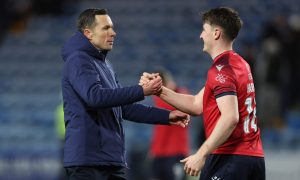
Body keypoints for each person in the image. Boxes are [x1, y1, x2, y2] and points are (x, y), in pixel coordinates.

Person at [61, 8, 190, 180]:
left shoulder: (105, 64)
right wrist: (142, 91)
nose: (113, 33)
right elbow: (94, 97)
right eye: (106, 28)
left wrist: (167, 116)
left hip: (111, 161)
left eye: (112, 27)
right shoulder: (78, 59)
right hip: (88, 162)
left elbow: (124, 108)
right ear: (88, 33)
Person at [140, 7, 265, 180]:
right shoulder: (239, 64)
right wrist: (158, 90)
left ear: (216, 33)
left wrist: (201, 154)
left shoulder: (221, 70)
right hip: (253, 157)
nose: (200, 35)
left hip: (229, 156)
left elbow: (230, 117)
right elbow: (196, 105)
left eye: (204, 30)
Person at [149, 68, 190, 180]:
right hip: (159, 153)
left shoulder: (182, 95)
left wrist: (171, 90)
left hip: (176, 152)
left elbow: (184, 108)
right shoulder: (159, 100)